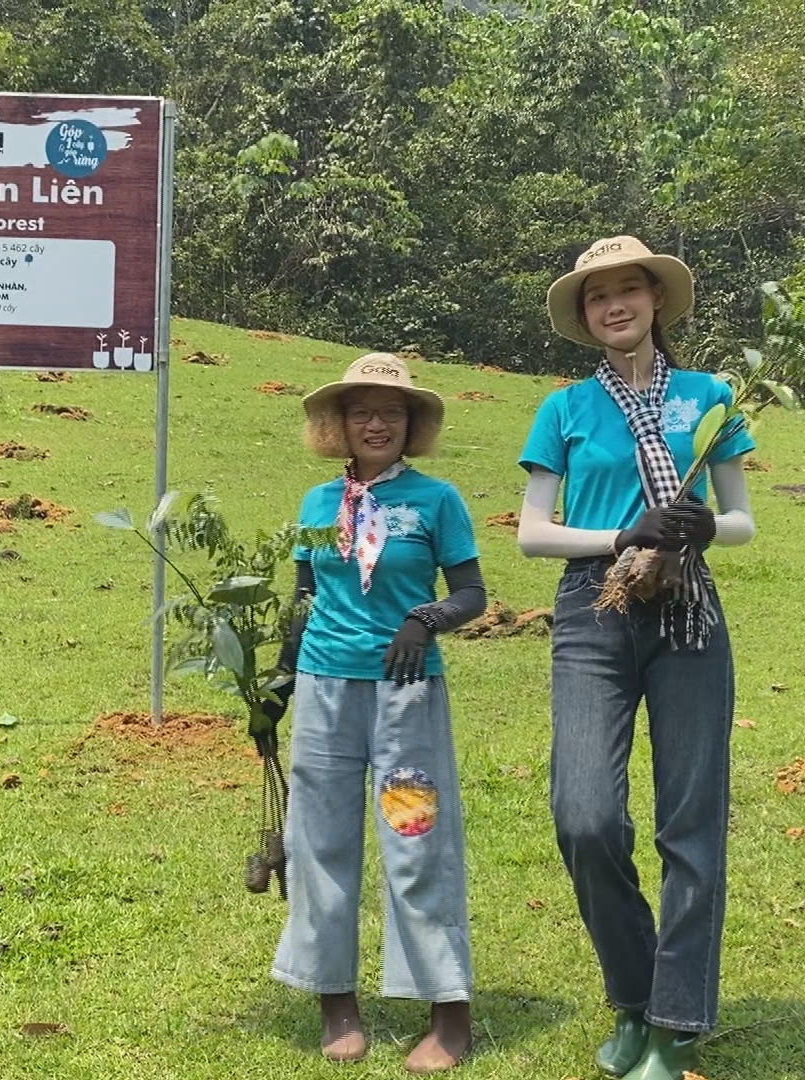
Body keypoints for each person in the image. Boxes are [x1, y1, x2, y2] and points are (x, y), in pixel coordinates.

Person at [515, 236, 757, 1080]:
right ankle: (631, 992)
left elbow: (742, 520)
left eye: (628, 290)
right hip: (595, 607)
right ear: (585, 318)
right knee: (585, 816)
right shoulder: (564, 409)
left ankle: (676, 1020)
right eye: (597, 297)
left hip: (690, 610)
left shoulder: (711, 397)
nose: (614, 305)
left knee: (691, 820)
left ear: (656, 300)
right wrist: (622, 534)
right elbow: (531, 532)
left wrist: (698, 527)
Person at [268, 353, 487, 1072]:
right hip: (325, 691)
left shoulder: (437, 500)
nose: (376, 422)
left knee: (415, 837)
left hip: (406, 693)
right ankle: (336, 1002)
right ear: (339, 424)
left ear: (410, 424)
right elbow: (303, 598)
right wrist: (276, 680)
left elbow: (472, 594)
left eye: (391, 412)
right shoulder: (311, 504)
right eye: (362, 410)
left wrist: (425, 618)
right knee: (318, 842)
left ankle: (447, 1012)